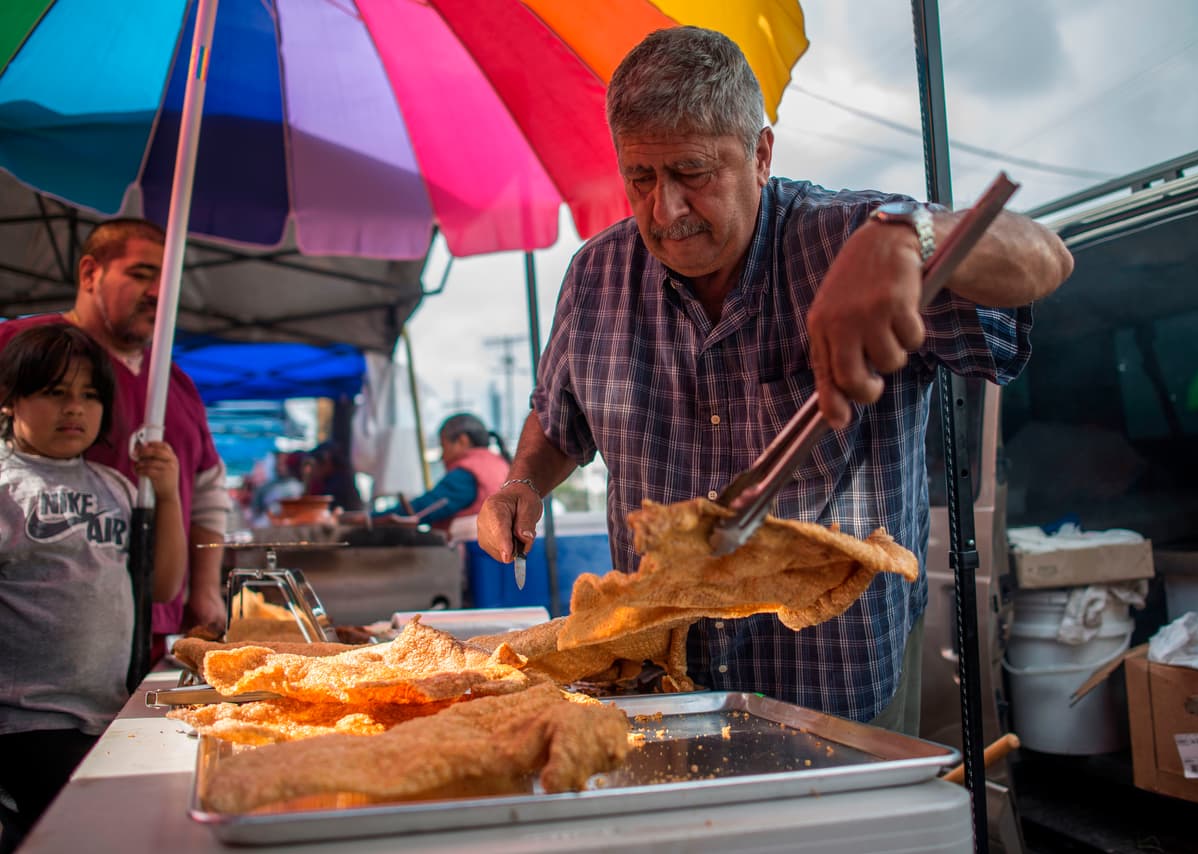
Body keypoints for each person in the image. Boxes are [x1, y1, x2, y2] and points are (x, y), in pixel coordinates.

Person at [477, 26, 1073, 731]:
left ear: (761, 154)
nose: (666, 211)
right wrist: (520, 484)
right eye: (641, 178)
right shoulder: (595, 276)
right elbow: (559, 420)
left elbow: (1047, 258)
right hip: (663, 684)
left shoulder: (853, 239)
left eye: (693, 172)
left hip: (841, 678)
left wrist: (913, 235)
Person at [0, 218, 231, 656]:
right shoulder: (14, 346)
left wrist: (203, 587)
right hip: (30, 644)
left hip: (148, 634)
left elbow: (207, 491)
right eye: (142, 274)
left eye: (168, 282)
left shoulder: (177, 385)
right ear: (90, 273)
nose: (157, 293)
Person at [0, 325, 185, 854]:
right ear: (10, 400)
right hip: (29, 724)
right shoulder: (7, 489)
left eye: (89, 395)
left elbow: (162, 586)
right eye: (54, 392)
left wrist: (168, 496)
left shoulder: (119, 489)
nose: (74, 408)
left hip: (113, 711)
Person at [343, 413, 510, 536]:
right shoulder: (499, 464)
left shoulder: (467, 474)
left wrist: (367, 518)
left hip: (477, 560)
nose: (442, 456)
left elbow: (423, 508)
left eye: (443, 446)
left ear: (462, 441)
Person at [303, 440, 364, 513]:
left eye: (315, 465)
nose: (313, 470)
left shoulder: (337, 485)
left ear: (326, 460)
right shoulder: (343, 479)